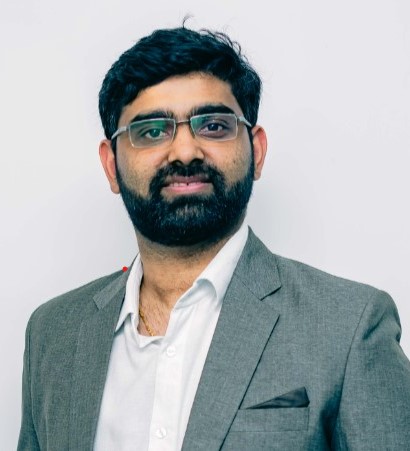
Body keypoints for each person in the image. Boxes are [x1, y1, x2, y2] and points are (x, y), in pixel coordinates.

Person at [18, 25, 410, 451]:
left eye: (214, 126)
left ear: (256, 151)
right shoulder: (53, 334)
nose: (185, 152)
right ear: (111, 165)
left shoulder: (349, 326)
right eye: (151, 131)